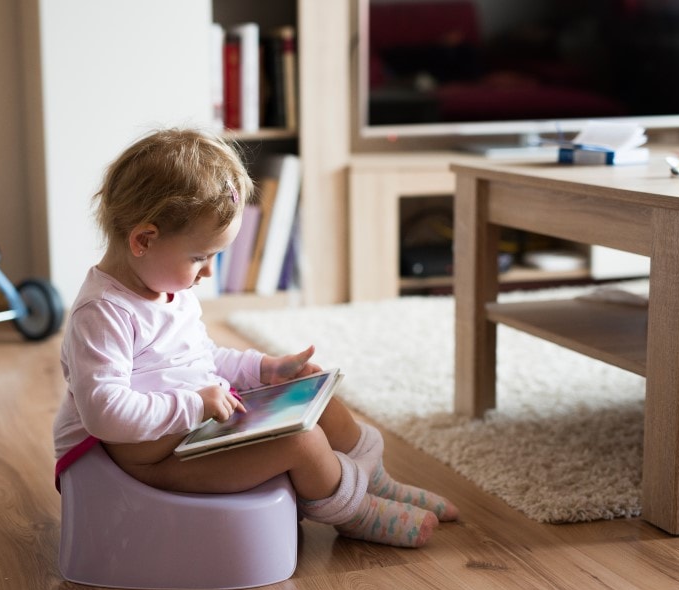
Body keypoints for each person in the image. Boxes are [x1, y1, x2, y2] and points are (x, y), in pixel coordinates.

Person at [52, 128, 458, 548]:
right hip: (157, 460)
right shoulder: (102, 313)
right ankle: (354, 512)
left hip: (200, 428)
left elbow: (200, 358)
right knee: (301, 443)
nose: (208, 272)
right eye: (200, 257)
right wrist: (195, 405)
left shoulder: (167, 290)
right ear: (144, 240)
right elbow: (104, 413)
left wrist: (263, 370)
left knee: (317, 400)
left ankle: (377, 482)